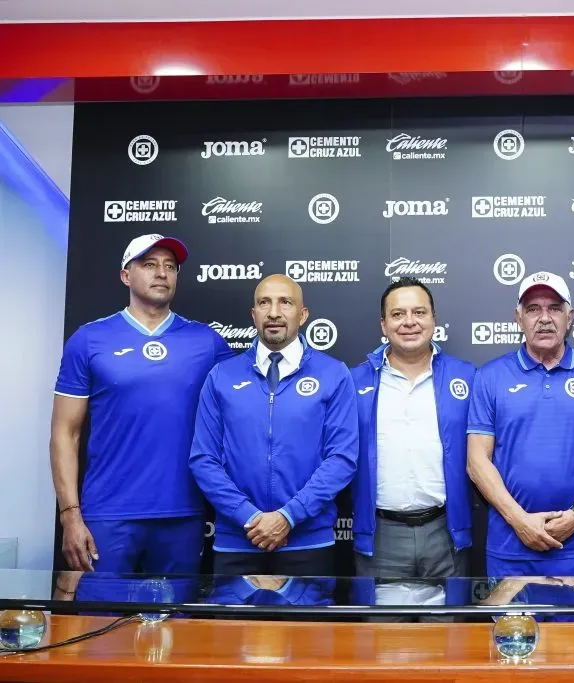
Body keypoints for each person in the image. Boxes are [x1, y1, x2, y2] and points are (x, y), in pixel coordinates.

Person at [51, 234, 234, 574]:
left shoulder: (206, 341)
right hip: (107, 513)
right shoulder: (89, 339)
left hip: (184, 513)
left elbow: (244, 411)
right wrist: (70, 515)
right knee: (100, 622)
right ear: (126, 275)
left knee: (174, 626)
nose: (161, 273)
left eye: (170, 266)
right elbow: (65, 433)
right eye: (149, 265)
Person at [467, 272, 574, 620]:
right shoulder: (490, 376)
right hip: (512, 545)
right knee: (512, 656)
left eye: (554, 308)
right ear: (517, 318)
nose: (544, 318)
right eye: (533, 308)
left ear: (571, 317)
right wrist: (520, 521)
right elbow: (477, 460)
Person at [189, 274, 359, 576]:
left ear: (303, 315)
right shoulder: (221, 376)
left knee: (304, 626)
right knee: (233, 627)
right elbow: (204, 460)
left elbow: (341, 459)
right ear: (254, 314)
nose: (274, 312)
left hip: (308, 542)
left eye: (285, 302)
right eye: (264, 303)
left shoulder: (333, 374)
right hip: (238, 541)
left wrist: (289, 516)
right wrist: (249, 517)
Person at [349, 277, 475, 622]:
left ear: (434, 319)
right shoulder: (354, 381)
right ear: (383, 325)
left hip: (446, 531)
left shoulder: (467, 378)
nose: (409, 322)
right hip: (380, 534)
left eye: (419, 312)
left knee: (449, 643)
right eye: (398, 314)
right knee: (381, 647)